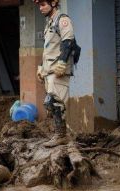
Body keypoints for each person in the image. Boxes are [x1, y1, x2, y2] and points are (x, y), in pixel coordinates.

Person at [33, 0, 76, 147]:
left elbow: (68, 42)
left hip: (59, 70)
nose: (40, 8)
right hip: (50, 70)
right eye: (39, 5)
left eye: (43, 4)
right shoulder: (49, 23)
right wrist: (40, 67)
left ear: (54, 3)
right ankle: (61, 135)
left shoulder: (62, 20)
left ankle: (61, 136)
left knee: (53, 101)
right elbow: (48, 49)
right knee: (52, 104)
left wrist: (62, 62)